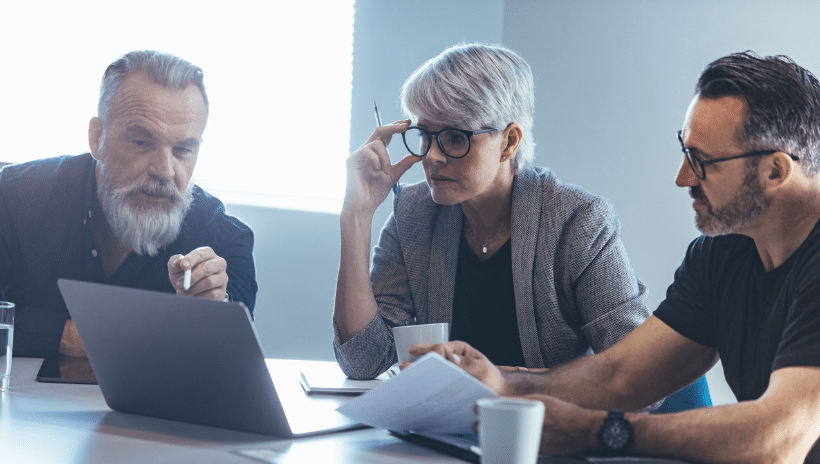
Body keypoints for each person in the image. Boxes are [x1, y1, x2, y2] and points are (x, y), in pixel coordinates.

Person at [412, 51, 820, 463]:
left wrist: (593, 432)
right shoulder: (723, 252)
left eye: (702, 162)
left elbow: (778, 440)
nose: (682, 178)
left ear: (775, 171)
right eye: (684, 150)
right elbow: (620, 376)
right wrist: (502, 382)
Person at [332, 43, 652, 384]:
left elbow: (639, 378)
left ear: (509, 141)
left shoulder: (578, 222)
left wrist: (501, 379)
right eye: (425, 135)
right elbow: (363, 361)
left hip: (545, 429)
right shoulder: (414, 213)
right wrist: (356, 217)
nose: (432, 157)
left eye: (455, 137)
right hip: (446, 427)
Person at [0, 50, 258, 359]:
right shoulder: (13, 199)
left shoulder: (223, 240)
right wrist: (80, 336)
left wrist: (216, 311)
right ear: (97, 138)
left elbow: (235, 357)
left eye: (183, 150)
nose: (164, 170)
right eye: (141, 142)